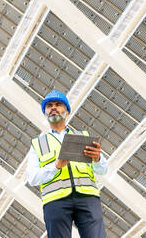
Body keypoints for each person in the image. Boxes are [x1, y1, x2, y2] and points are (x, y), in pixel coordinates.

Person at [26, 90, 108, 238]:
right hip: (56, 201)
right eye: (49, 106)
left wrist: (98, 159)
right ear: (45, 113)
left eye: (58, 104)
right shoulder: (38, 144)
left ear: (67, 111)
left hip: (87, 197)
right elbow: (32, 178)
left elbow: (103, 170)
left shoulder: (83, 136)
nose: (53, 108)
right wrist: (56, 166)